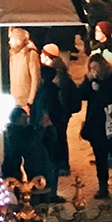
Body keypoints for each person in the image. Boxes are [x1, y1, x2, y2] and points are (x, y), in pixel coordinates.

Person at [78, 53, 112, 198]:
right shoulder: (89, 80)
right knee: (100, 158)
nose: (94, 70)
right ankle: (103, 187)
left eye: (96, 67)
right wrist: (88, 82)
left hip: (111, 123)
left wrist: (100, 88)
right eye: (91, 67)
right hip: (96, 125)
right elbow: (81, 95)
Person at [33, 43, 78, 175]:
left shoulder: (56, 73)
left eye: (43, 53)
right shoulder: (57, 69)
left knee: (59, 137)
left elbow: (62, 95)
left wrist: (62, 114)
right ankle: (61, 163)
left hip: (59, 113)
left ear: (48, 56)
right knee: (59, 137)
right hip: (59, 112)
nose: (40, 56)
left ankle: (63, 165)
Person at [1, 108, 57, 198]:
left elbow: (50, 140)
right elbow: (28, 145)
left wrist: (49, 126)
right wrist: (42, 127)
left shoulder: (29, 129)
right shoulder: (13, 133)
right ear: (16, 119)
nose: (26, 120)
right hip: (27, 173)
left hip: (41, 167)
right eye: (23, 118)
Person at [8, 28, 41, 111]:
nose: (9, 42)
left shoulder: (31, 54)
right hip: (14, 98)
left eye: (12, 39)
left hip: (25, 101)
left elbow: (36, 79)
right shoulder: (12, 54)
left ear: (19, 40)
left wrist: (30, 101)